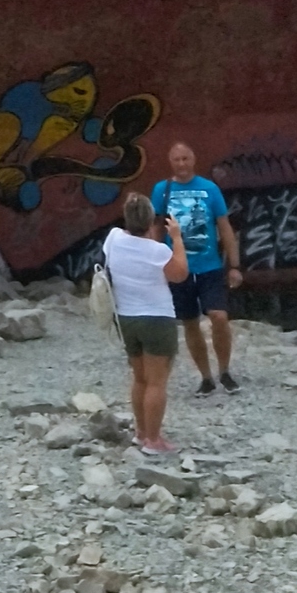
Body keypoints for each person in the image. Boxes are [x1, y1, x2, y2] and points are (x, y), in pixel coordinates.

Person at [151, 142, 243, 395]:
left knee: (219, 316)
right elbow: (157, 227)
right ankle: (206, 377)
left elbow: (224, 227)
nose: (182, 164)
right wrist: (153, 260)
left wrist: (234, 265)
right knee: (190, 322)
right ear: (171, 162)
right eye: (177, 159)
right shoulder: (162, 190)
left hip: (210, 266)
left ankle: (224, 370)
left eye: (185, 158)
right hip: (178, 268)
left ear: (193, 159)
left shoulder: (209, 189)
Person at [101, 186, 188, 454]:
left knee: (139, 378)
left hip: (126, 317)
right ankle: (154, 439)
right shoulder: (158, 251)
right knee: (157, 382)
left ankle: (141, 433)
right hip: (156, 318)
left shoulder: (113, 239)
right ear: (151, 221)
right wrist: (177, 238)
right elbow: (180, 274)